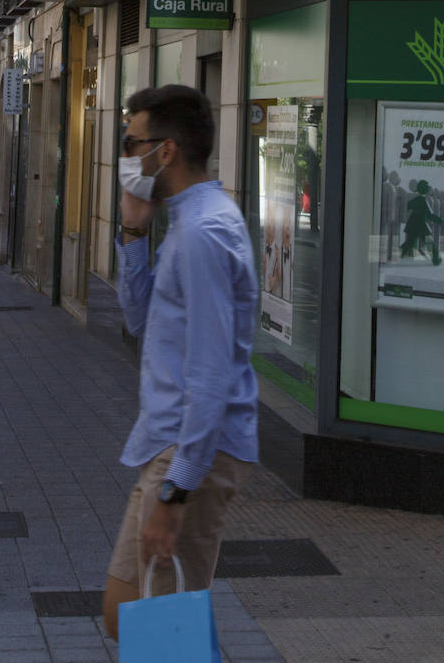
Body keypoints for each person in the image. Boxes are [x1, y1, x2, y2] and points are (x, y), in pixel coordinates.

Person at [101, 85, 258, 642]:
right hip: (177, 443)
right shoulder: (188, 224)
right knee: (142, 617)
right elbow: (142, 320)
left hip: (191, 451)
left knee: (157, 627)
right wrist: (134, 229)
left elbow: (213, 372)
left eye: (130, 143)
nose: (124, 156)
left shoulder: (204, 233)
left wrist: (176, 492)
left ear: (163, 151)